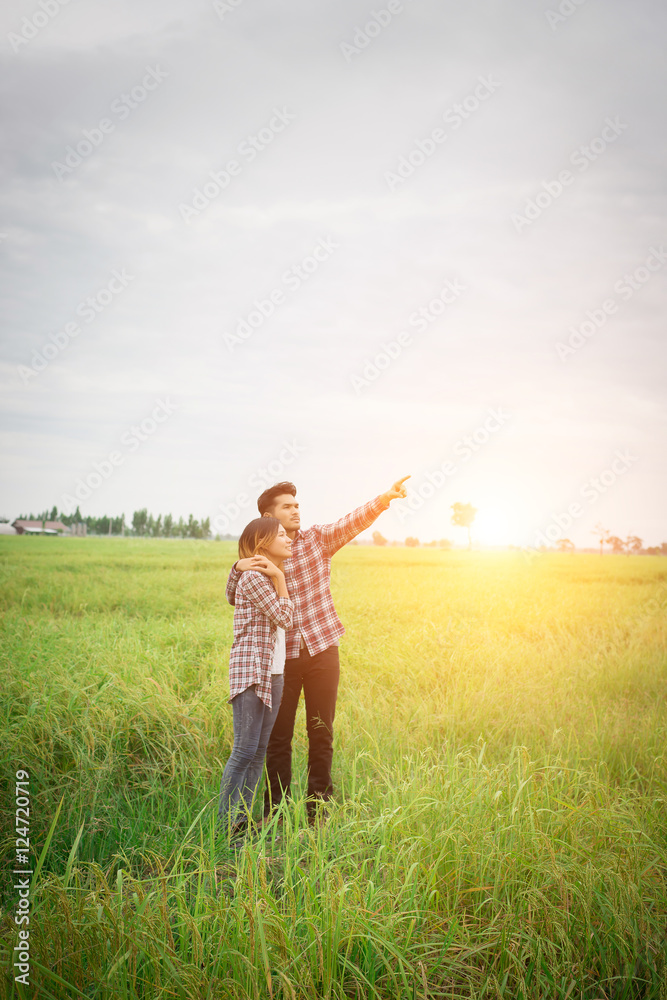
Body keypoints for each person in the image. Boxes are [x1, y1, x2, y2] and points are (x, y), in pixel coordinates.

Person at [225, 476, 410, 823]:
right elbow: (236, 593)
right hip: (284, 660)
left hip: (323, 649)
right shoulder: (263, 558)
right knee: (278, 739)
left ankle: (318, 811)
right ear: (269, 515)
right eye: (287, 507)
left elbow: (352, 521)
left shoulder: (317, 540)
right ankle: (275, 813)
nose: (296, 511)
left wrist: (384, 498)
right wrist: (236, 566)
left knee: (321, 730)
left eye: (297, 505)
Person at [217, 516, 293, 838]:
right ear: (263, 543)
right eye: (281, 534)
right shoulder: (255, 579)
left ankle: (242, 823)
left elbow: (230, 595)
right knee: (245, 751)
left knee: (259, 751)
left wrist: (269, 573)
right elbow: (284, 617)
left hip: (273, 672)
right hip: (252, 672)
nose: (289, 538)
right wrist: (281, 577)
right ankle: (225, 826)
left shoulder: (256, 577)